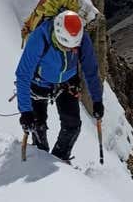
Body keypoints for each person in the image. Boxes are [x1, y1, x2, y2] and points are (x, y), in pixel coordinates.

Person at [15, 10, 104, 161]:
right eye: (65, 46)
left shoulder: (80, 37)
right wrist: (26, 111)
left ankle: (59, 161)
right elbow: (23, 75)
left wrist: (97, 100)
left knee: (73, 126)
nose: (70, 50)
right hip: (39, 83)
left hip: (67, 83)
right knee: (37, 127)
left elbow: (90, 69)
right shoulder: (40, 37)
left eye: (72, 48)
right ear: (57, 35)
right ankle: (39, 157)